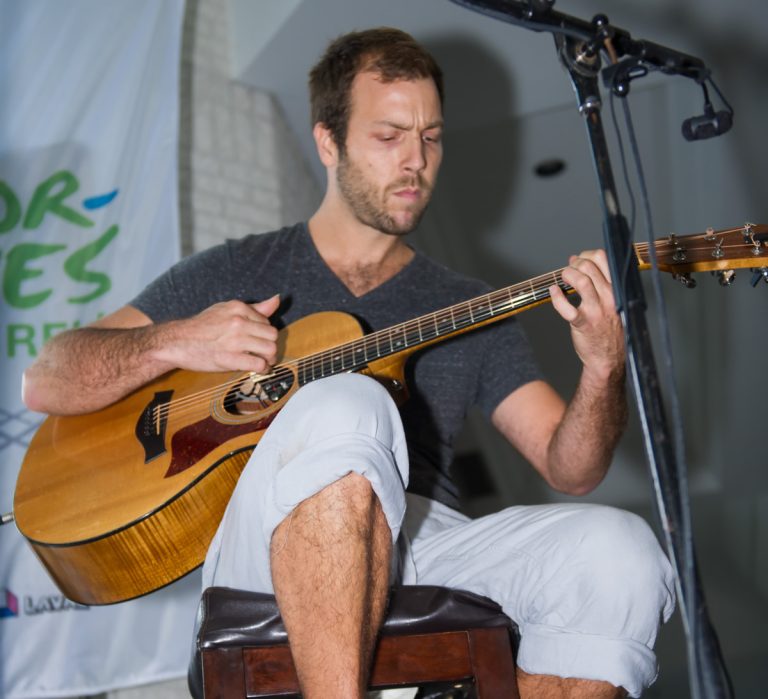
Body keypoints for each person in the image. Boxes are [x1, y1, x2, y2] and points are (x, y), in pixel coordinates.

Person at [22, 27, 675, 699]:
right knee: (348, 402)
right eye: (389, 137)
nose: (416, 161)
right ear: (328, 142)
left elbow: (572, 468)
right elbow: (48, 376)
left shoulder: (469, 304)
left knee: (624, 551)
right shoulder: (237, 268)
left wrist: (602, 366)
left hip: (425, 537)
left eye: (431, 137)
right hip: (274, 527)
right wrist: (175, 340)